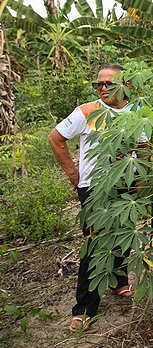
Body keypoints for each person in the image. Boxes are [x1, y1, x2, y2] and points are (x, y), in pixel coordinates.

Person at [48, 64, 137, 332]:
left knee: (124, 233)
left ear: (126, 86)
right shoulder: (87, 111)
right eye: (99, 84)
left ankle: (118, 280)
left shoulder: (136, 112)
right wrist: (73, 174)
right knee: (95, 244)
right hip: (95, 188)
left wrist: (141, 183)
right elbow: (55, 138)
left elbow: (142, 146)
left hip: (127, 183)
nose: (102, 88)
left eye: (109, 84)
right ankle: (85, 307)